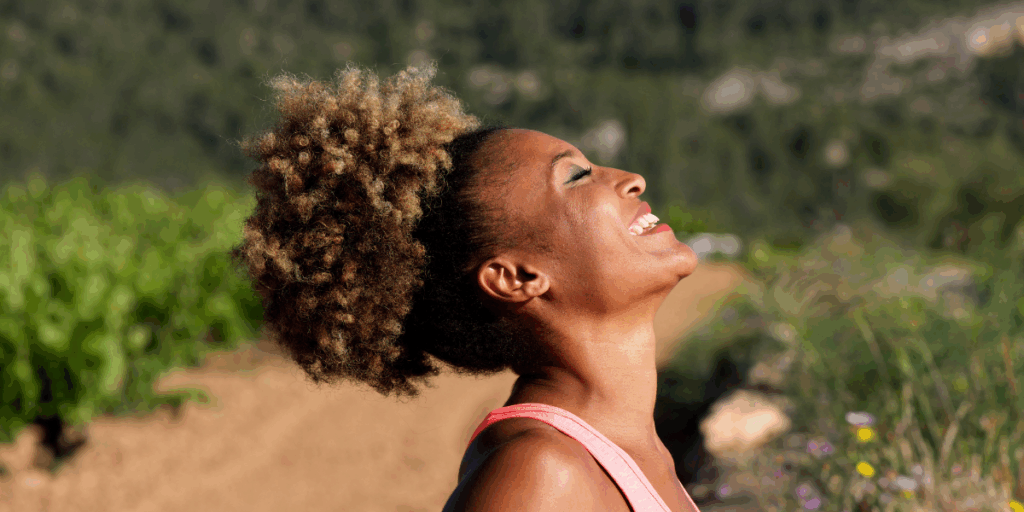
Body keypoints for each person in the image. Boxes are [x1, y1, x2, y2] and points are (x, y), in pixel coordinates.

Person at [230, 64, 701, 511]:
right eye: (576, 177)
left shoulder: (629, 451)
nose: (632, 181)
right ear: (516, 278)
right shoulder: (541, 475)